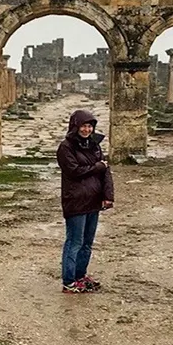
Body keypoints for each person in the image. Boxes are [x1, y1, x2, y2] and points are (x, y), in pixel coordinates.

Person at [56, 109, 114, 294]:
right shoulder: (65, 147)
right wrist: (97, 166)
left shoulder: (95, 145)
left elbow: (106, 171)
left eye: (90, 126)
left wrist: (108, 196)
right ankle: (69, 282)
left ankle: (81, 276)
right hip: (76, 200)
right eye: (83, 126)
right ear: (75, 126)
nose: (87, 129)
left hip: (93, 201)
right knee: (75, 241)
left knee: (87, 242)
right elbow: (74, 171)